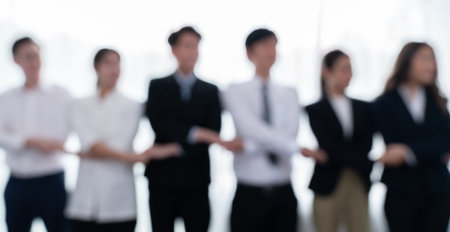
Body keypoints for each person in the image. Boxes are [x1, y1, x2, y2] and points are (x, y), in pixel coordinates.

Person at [65, 48, 181, 232]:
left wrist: (88, 152)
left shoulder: (133, 105)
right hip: (84, 202)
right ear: (96, 67)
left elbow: (105, 146)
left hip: (120, 202)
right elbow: (91, 144)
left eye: (118, 63)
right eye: (108, 63)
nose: (115, 69)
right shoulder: (80, 104)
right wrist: (132, 158)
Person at [145, 26, 239, 232]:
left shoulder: (211, 90)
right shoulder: (157, 86)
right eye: (188, 46)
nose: (193, 52)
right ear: (174, 50)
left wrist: (174, 148)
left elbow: (214, 131)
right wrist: (197, 133)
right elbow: (159, 126)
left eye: (197, 46)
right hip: (162, 182)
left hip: (196, 181)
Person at [222, 28, 301, 232]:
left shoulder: (290, 92)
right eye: (265, 45)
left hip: (284, 195)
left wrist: (247, 145)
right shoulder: (235, 91)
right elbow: (250, 128)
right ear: (249, 52)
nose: (271, 51)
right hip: (249, 196)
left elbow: (291, 132)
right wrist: (291, 147)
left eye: (274, 45)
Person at [373, 42, 450, 232]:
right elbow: (392, 145)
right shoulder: (384, 103)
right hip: (401, 192)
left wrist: (407, 151)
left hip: (437, 192)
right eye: (425, 58)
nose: (431, 65)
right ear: (407, 62)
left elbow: (446, 141)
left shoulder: (438, 101)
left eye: (433, 59)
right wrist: (432, 150)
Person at [0, 37, 71, 232]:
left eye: (37, 56)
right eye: (28, 57)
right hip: (17, 183)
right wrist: (28, 140)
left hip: (52, 182)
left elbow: (59, 138)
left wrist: (16, 137)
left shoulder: (61, 95)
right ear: (16, 60)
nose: (34, 62)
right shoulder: (6, 98)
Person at [302, 50, 375, 232]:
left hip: (358, 180)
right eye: (344, 69)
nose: (349, 74)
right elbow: (329, 145)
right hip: (328, 182)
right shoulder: (314, 109)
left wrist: (336, 154)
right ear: (326, 72)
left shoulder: (364, 107)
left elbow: (366, 143)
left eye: (350, 69)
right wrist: (368, 161)